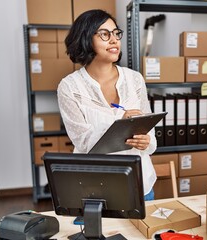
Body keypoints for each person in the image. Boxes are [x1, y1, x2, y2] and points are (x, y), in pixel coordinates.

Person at [57, 9, 157, 201]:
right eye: (104, 34)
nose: (114, 40)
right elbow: (83, 142)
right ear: (85, 38)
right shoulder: (69, 87)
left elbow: (149, 131)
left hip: (140, 184)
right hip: (96, 189)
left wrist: (146, 141)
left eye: (116, 33)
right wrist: (119, 120)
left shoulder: (135, 80)